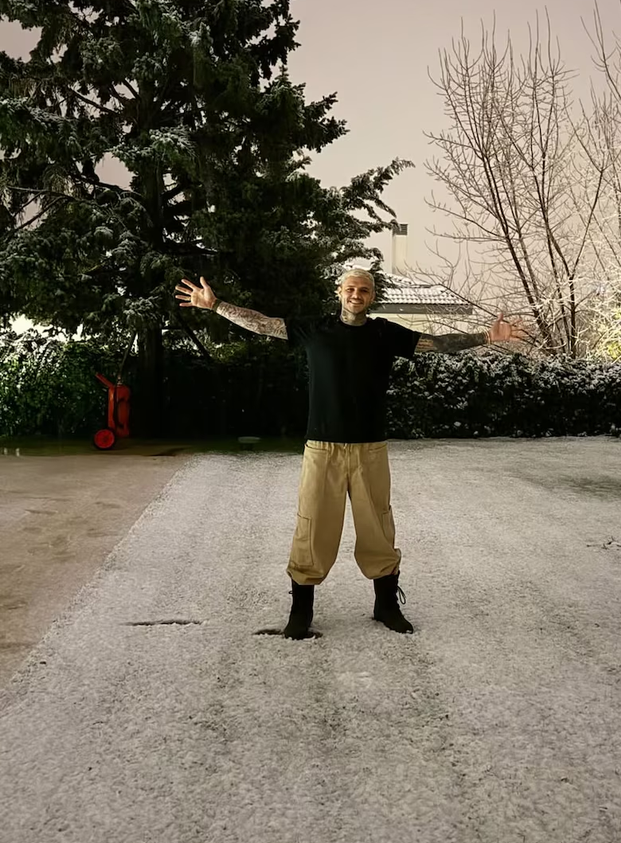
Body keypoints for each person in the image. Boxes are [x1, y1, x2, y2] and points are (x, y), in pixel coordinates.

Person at [175, 269, 526, 639]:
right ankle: (301, 611)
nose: (356, 294)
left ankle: (386, 605)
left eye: (364, 290)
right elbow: (263, 324)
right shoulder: (315, 330)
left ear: (371, 296)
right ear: (339, 292)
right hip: (321, 449)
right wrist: (214, 305)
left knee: (378, 525)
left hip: (369, 449)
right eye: (350, 288)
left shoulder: (384, 333)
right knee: (312, 526)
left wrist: (488, 336)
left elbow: (436, 343)